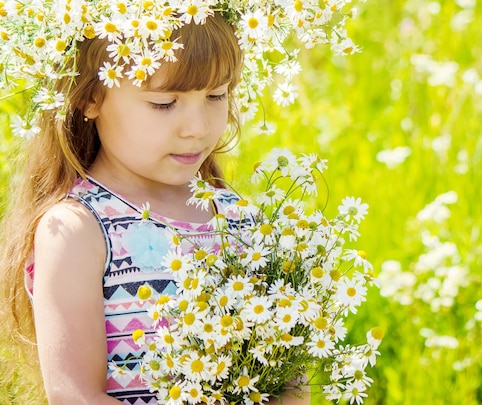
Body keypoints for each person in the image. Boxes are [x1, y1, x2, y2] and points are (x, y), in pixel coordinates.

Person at [0, 10, 310, 405]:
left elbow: (289, 383)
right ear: (91, 97)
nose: (196, 127)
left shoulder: (244, 222)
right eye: (164, 103)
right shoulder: (79, 229)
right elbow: (74, 394)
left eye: (216, 96)